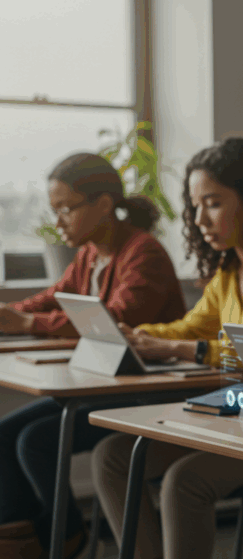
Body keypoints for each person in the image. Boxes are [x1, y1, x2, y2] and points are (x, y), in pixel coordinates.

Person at [90, 137, 243, 559]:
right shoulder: (229, 269)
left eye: (214, 203)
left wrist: (174, 348)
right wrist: (138, 334)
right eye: (195, 206)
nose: (200, 219)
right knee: (111, 457)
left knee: (184, 481)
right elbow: (192, 326)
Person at [0, 153, 185, 558]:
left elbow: (115, 319)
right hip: (101, 386)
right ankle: (22, 537)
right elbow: (53, 299)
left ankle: (63, 536)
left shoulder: (144, 253)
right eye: (55, 210)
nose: (59, 221)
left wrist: (27, 323)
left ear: (103, 204)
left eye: (66, 209)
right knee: (5, 433)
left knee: (35, 441)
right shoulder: (89, 255)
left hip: (145, 393)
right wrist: (11, 315)